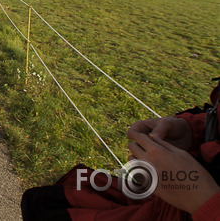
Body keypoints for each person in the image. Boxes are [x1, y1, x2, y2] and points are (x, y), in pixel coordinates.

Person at [21, 77, 220, 220]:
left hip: (192, 208)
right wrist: (194, 130)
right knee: (44, 203)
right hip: (161, 206)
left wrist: (206, 203)